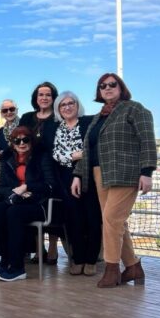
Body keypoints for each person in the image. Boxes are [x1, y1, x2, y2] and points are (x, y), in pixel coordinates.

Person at [72, 73, 157, 288]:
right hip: (100, 174)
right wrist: (78, 174)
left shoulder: (134, 109)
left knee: (110, 219)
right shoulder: (98, 117)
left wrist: (147, 172)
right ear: (99, 91)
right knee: (115, 222)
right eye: (102, 86)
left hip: (125, 173)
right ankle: (133, 267)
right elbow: (87, 149)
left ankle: (112, 269)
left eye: (112, 84)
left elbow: (147, 140)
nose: (107, 88)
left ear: (121, 87)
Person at [0, 126, 56, 282]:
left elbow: (50, 185)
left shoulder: (42, 157)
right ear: (12, 143)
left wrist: (27, 187)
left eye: (25, 139)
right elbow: (1, 187)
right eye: (17, 140)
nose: (22, 143)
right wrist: (15, 192)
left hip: (39, 203)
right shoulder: (7, 158)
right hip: (16, 199)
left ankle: (17, 267)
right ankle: (5, 259)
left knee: (14, 213)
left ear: (31, 141)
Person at [45, 91, 98, 276]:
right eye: (62, 105)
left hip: (87, 176)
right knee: (72, 220)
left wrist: (79, 157)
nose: (67, 107)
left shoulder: (87, 123)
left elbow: (92, 149)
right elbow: (50, 154)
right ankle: (78, 258)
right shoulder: (54, 128)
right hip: (63, 179)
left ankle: (91, 260)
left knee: (92, 218)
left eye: (71, 103)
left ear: (77, 105)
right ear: (58, 108)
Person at [19, 81, 60, 262]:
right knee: (31, 203)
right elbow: (19, 138)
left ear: (53, 98)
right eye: (41, 95)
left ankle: (53, 247)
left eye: (48, 95)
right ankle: (38, 248)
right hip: (32, 169)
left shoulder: (58, 118)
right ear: (36, 98)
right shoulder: (27, 117)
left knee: (53, 207)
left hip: (55, 169)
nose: (44, 98)